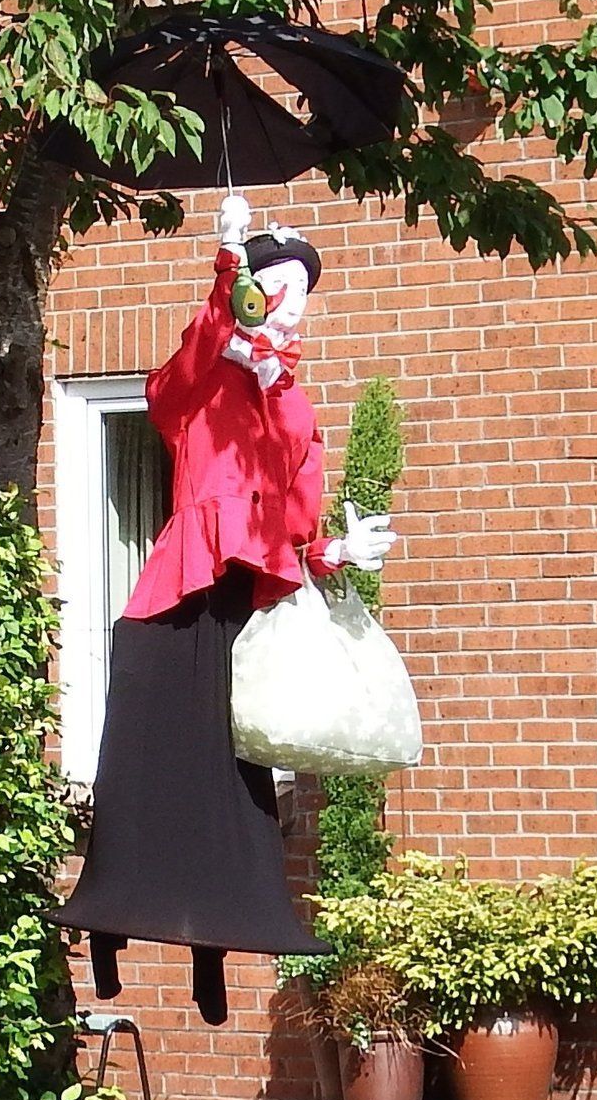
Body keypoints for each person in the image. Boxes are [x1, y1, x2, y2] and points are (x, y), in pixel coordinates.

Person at [51, 194, 396, 1022]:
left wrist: (338, 551)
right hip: (179, 584)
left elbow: (297, 526)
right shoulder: (208, 374)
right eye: (280, 287)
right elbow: (184, 363)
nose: (292, 304)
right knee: (140, 760)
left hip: (247, 598)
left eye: (303, 293)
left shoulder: (295, 407)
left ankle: (215, 943)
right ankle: (107, 927)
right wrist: (228, 254)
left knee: (230, 778)